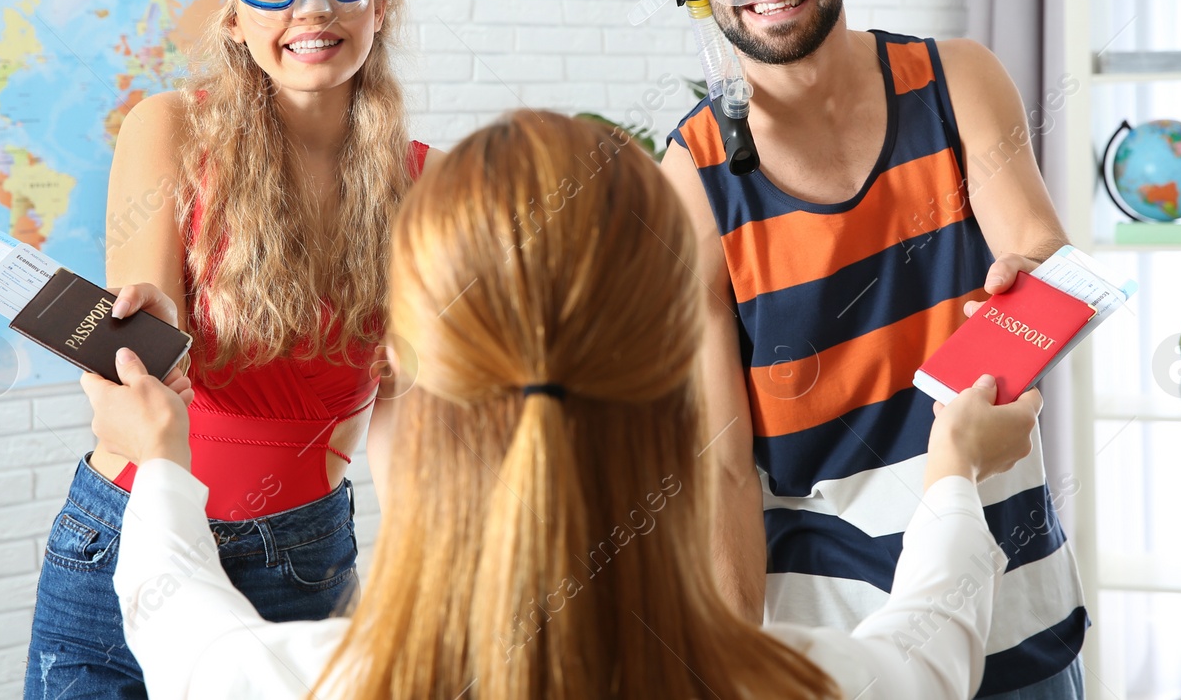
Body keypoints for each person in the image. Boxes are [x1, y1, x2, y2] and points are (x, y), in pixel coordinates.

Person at [83, 109, 1044, 699]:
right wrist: (953, 469)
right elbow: (938, 633)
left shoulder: (274, 682)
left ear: (412, 411)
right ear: (678, 392)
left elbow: (172, 610)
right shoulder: (829, 683)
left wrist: (161, 462)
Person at [658, 0, 1087, 697]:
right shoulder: (691, 179)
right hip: (838, 658)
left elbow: (1040, 257)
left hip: (1011, 616)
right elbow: (722, 464)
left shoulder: (954, 80)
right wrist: (735, 666)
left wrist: (1017, 312)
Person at [23, 0, 434, 700]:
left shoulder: (428, 182)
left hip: (306, 555)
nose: (311, 5)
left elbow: (405, 409)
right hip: (129, 529)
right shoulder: (168, 126)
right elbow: (135, 332)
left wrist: (428, 572)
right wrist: (151, 330)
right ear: (237, 16)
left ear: (379, 3)